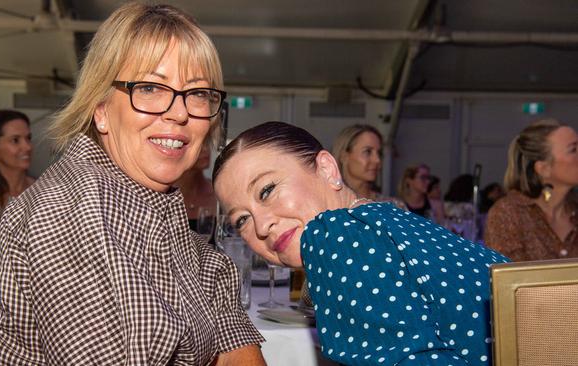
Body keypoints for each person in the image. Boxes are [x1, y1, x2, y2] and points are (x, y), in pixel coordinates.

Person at [0, 3, 265, 365]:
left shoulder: (147, 200)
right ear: (100, 109)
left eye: (197, 93)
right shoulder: (69, 210)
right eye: (149, 88)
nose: (180, 113)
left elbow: (214, 291)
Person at [213, 121, 509, 366]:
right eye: (242, 220)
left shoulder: (336, 237)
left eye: (267, 190)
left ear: (327, 169)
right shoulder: (380, 217)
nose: (262, 226)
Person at [485, 119, 578, 262]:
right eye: (573, 149)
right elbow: (510, 280)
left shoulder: (574, 210)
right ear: (544, 169)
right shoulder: (508, 213)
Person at [332, 124, 406, 210]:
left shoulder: (393, 206)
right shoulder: (330, 205)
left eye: (379, 153)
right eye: (367, 152)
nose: (377, 160)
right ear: (344, 156)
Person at [176, 142, 217, 231]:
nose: (206, 150)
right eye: (199, 144)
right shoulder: (165, 196)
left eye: (206, 144)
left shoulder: (219, 193)